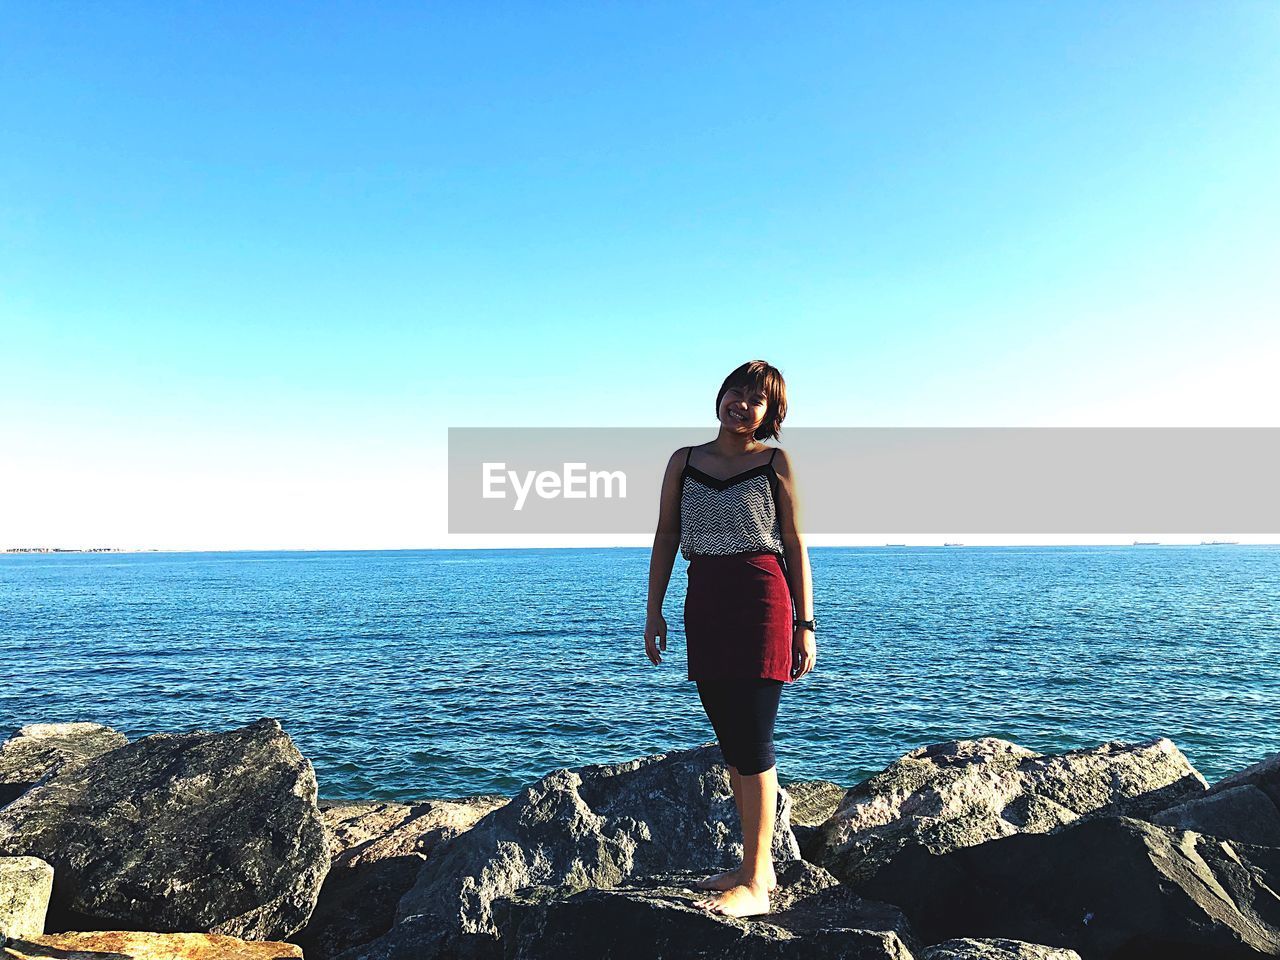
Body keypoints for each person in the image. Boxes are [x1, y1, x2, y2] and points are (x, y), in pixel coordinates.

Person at [644, 359, 817, 919]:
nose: (742, 404)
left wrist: (805, 624)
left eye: (757, 399)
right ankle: (753, 866)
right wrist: (654, 610)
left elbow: (794, 545)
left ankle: (756, 884)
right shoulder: (685, 461)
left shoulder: (775, 461)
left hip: (764, 598)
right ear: (721, 396)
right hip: (706, 598)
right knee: (730, 737)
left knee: (754, 738)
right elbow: (667, 536)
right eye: (736, 392)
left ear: (771, 414)